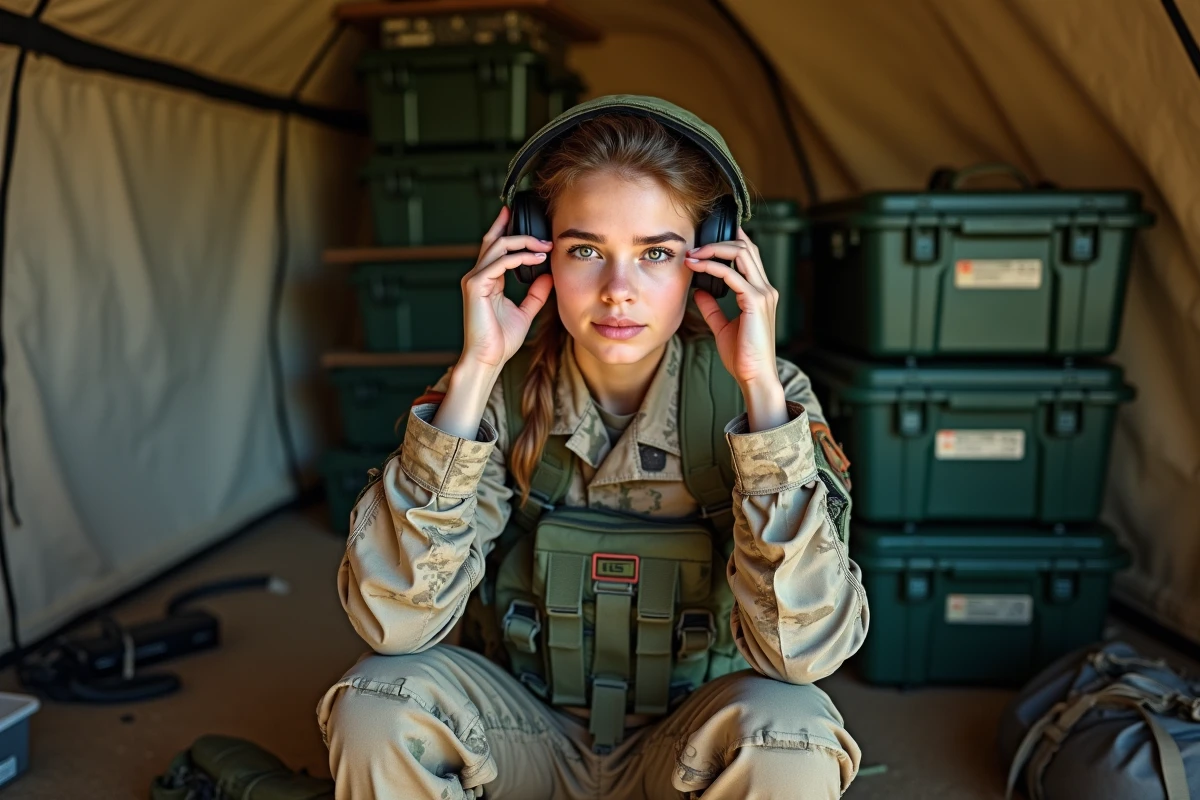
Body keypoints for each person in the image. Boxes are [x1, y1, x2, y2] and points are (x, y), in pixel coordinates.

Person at [316, 95, 869, 799]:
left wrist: (760, 397)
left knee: (794, 731)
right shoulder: (492, 391)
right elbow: (395, 623)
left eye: (656, 254)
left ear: (707, 261)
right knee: (376, 702)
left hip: (684, 753)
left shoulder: (769, 398)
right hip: (522, 737)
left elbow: (805, 654)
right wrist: (476, 372)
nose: (618, 292)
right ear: (533, 248)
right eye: (585, 250)